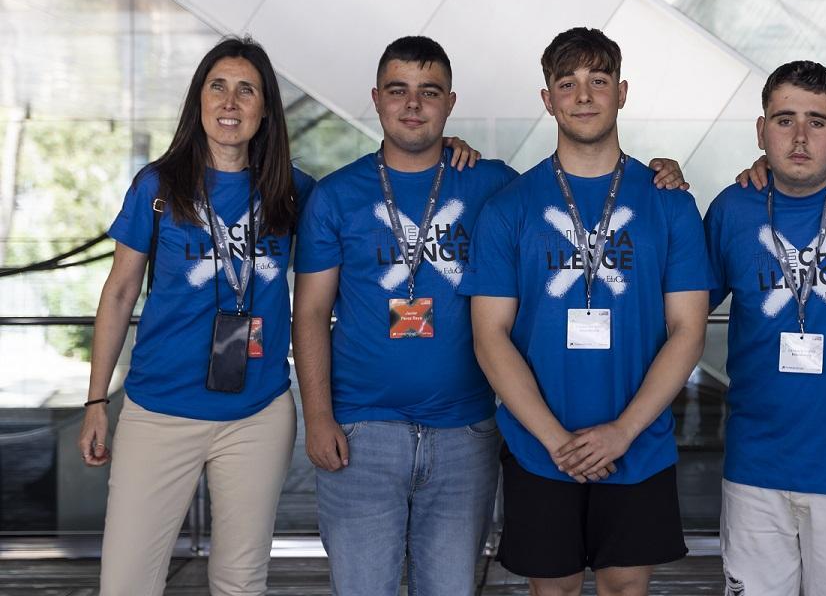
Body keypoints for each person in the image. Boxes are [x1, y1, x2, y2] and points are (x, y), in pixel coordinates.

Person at [291, 35, 689, 595]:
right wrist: (319, 417)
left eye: (428, 92)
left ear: (450, 103)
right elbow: (308, 314)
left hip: (465, 429)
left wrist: (662, 172)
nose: (413, 105)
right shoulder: (335, 196)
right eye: (399, 91)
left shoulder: (491, 184)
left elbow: (578, 186)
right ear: (376, 99)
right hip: (363, 428)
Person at [464, 27, 711, 596]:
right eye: (567, 83)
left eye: (598, 81)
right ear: (547, 98)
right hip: (538, 445)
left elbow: (688, 330)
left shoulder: (669, 201)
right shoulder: (509, 207)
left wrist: (622, 432)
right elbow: (490, 337)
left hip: (639, 445)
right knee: (554, 590)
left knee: (626, 586)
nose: (583, 95)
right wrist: (556, 441)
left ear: (621, 93)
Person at [78, 37, 315, 596]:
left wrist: (444, 151)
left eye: (246, 90)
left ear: (264, 108)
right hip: (159, 411)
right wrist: (95, 401)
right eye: (218, 86)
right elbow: (118, 295)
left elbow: (369, 197)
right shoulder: (157, 188)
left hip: (257, 413)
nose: (230, 102)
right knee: (127, 584)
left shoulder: (293, 192)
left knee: (240, 582)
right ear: (199, 101)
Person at [706, 61, 826, 595]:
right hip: (754, 465)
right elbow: (679, 314)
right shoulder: (733, 209)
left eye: (817, 121)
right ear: (761, 130)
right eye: (784, 120)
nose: (800, 137)